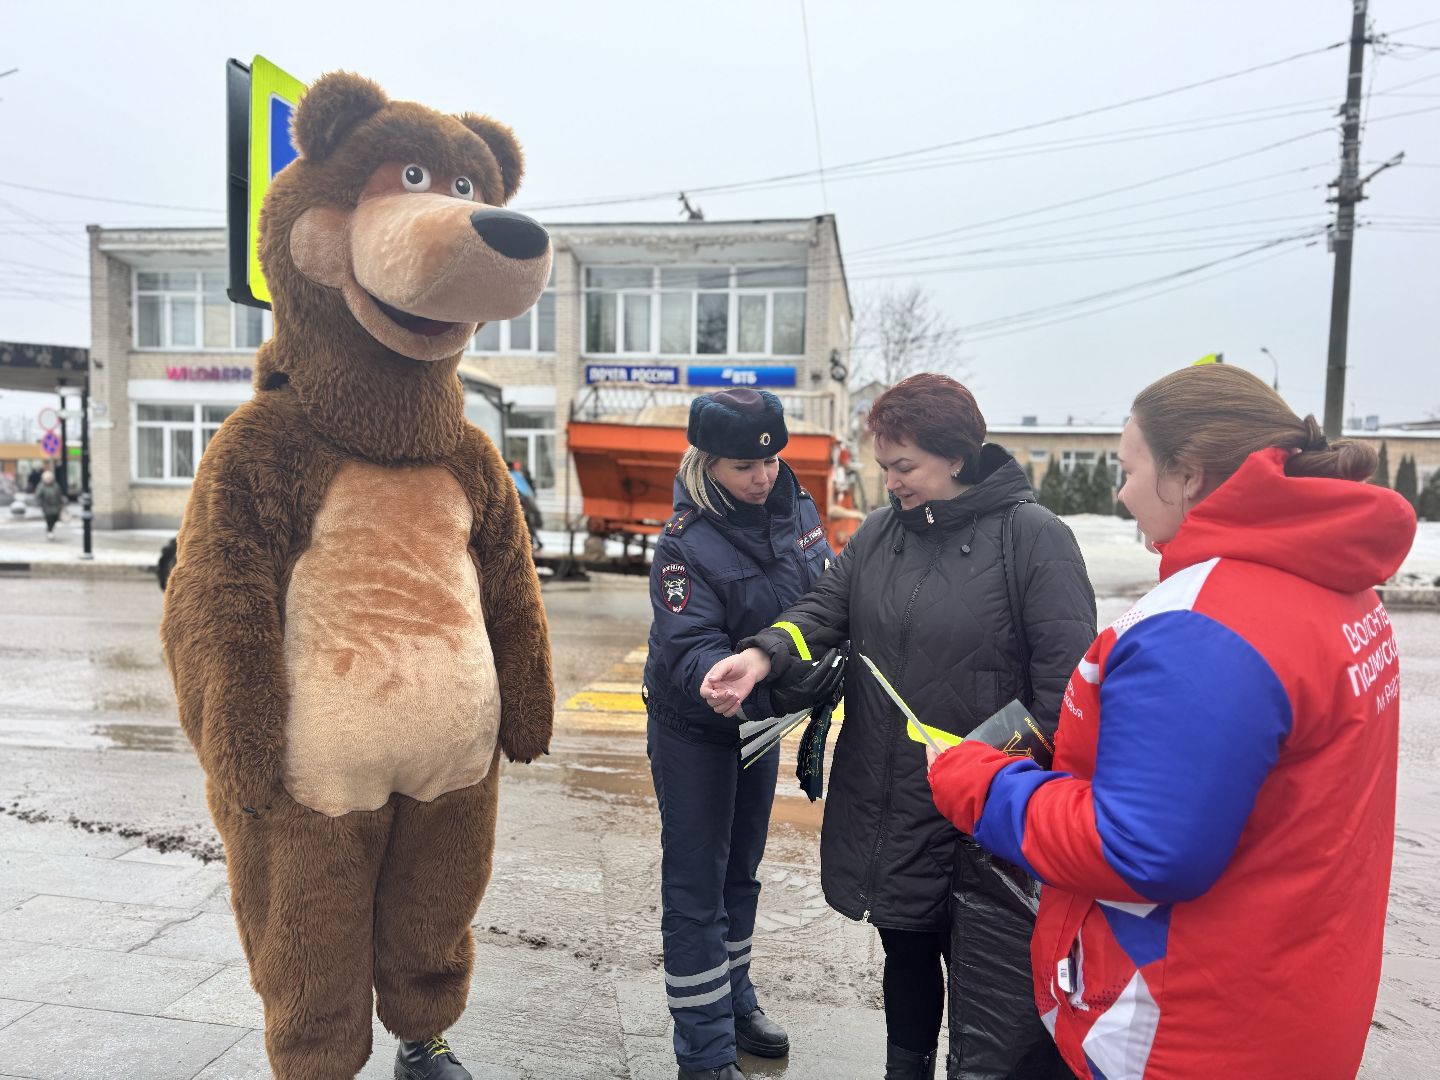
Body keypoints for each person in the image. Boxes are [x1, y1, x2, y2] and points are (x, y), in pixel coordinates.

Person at [927, 364, 1418, 1080]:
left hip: (1181, 1025)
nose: (1119, 492)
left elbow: (1138, 850)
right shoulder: (1335, 590)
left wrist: (979, 783)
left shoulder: (1203, 626)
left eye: (1129, 469)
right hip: (1289, 993)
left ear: (1187, 475)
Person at [702, 373, 1096, 1079]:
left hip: (989, 815)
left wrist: (980, 769)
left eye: (904, 467)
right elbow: (825, 608)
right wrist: (763, 654)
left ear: (957, 456)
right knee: (906, 954)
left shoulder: (1035, 540)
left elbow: (1066, 698)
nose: (891, 483)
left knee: (988, 986)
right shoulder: (881, 533)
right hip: (891, 803)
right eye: (884, 466)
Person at [644, 388, 836, 1080]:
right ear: (706, 463)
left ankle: (735, 999)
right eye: (741, 468)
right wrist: (716, 676)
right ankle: (703, 1052)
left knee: (740, 873)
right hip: (696, 728)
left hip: (761, 724)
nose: (762, 478)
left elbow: (823, 594)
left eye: (770, 461)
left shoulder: (798, 507)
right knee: (696, 886)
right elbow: (686, 641)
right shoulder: (682, 545)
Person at [35, 470, 65, 540]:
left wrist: (62, 502)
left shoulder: (55, 485)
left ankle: (51, 529)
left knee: (55, 518)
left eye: (50, 478)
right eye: (47, 478)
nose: (48, 480)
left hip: (56, 506)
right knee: (49, 519)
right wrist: (39, 503)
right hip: (47, 506)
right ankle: (49, 531)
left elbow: (59, 494)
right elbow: (38, 495)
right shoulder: (41, 486)